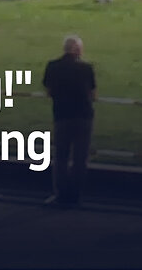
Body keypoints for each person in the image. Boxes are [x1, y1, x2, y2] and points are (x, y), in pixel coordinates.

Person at [43, 35, 96, 207]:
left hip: (62, 116)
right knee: (80, 159)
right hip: (83, 117)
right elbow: (92, 94)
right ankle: (75, 196)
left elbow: (49, 91)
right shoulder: (86, 68)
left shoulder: (52, 67)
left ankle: (60, 194)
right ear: (77, 50)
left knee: (61, 157)